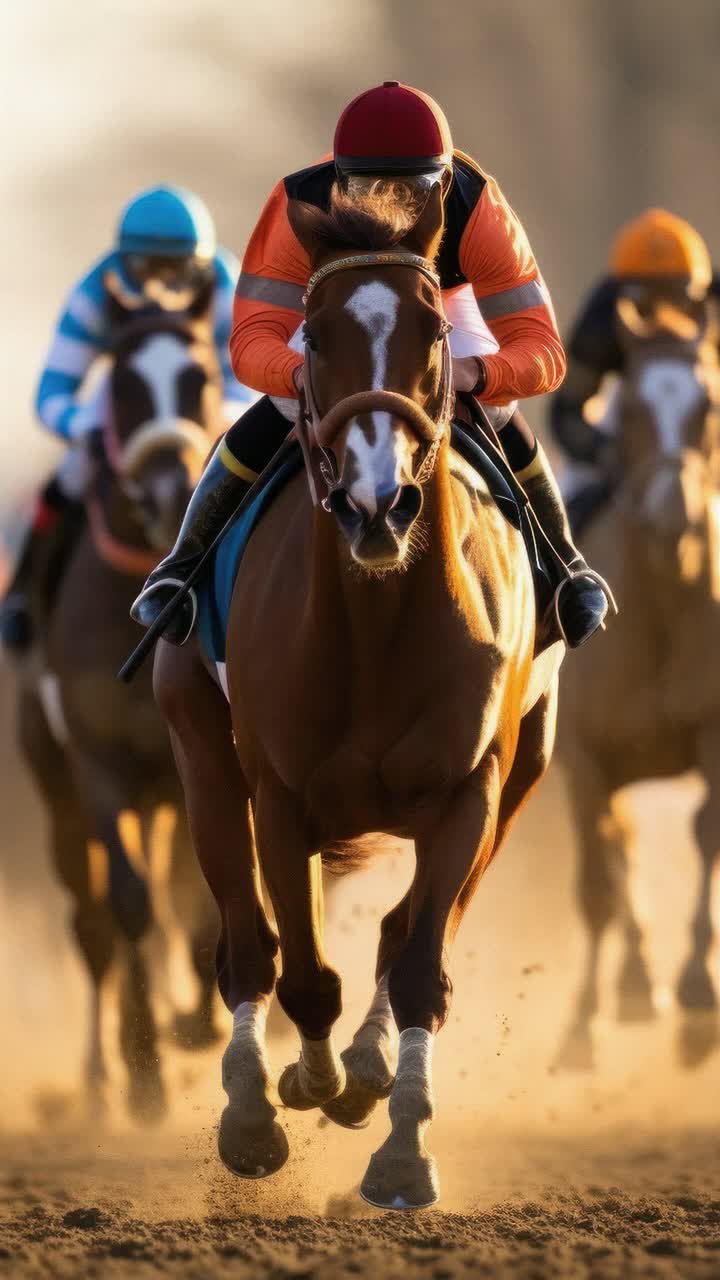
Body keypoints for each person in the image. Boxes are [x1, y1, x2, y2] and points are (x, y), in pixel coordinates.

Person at [133, 81, 610, 648]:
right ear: (339, 180)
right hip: (339, 306)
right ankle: (183, 566)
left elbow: (541, 350)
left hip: (442, 303)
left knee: (498, 406)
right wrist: (304, 377)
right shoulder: (298, 207)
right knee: (285, 400)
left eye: (413, 191)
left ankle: (565, 565)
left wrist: (479, 375)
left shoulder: (478, 207)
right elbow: (254, 340)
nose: (392, 208)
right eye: (369, 189)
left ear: (446, 182)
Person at [0, 184, 254, 654]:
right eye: (148, 269)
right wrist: (89, 429)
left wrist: (215, 422)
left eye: (179, 272)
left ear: (200, 264)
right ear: (124, 263)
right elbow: (52, 394)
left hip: (200, 405)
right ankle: (24, 596)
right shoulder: (95, 291)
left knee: (254, 478)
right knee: (69, 478)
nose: (162, 284)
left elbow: (247, 374)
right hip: (124, 409)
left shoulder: (224, 282)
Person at [549, 207, 718, 530]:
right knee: (564, 512)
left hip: (704, 419)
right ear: (622, 293)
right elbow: (565, 411)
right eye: (646, 301)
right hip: (624, 414)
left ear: (698, 296)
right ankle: (561, 570)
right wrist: (607, 452)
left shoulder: (715, 307)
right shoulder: (602, 318)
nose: (662, 314)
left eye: (675, 298)